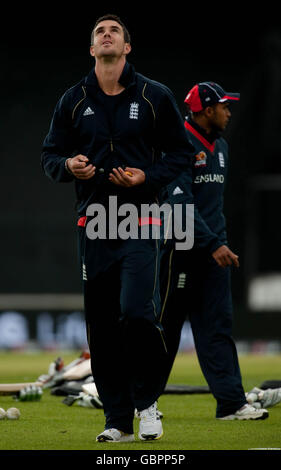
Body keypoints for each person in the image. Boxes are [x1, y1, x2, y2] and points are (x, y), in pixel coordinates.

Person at [41, 14, 194, 442]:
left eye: (114, 32)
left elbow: (180, 155)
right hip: (93, 224)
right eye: (98, 33)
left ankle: (148, 406)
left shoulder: (154, 96)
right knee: (102, 324)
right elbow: (50, 157)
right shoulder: (72, 100)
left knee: (136, 311)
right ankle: (117, 420)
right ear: (92, 49)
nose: (106, 35)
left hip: (141, 219)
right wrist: (68, 166)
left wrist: (148, 177)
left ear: (126, 47)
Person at [160, 82, 269, 420]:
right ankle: (141, 402)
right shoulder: (176, 144)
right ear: (207, 110)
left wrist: (216, 242)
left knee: (217, 330)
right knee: (165, 332)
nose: (229, 112)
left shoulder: (220, 145)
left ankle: (232, 404)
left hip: (212, 254)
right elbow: (180, 204)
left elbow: (212, 206)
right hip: (180, 251)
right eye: (224, 106)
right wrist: (214, 243)